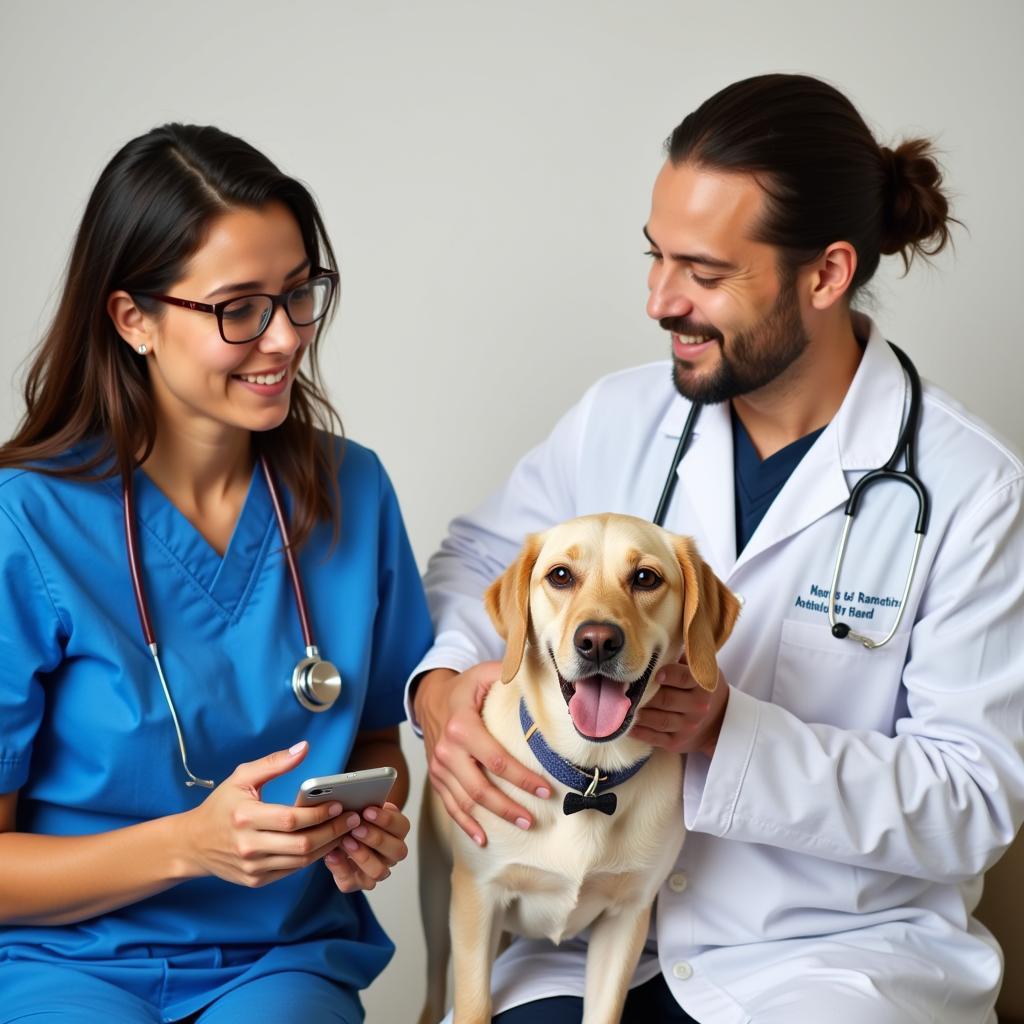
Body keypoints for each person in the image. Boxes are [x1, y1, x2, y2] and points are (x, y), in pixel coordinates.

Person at [409, 74, 1024, 1023]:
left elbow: (972, 802)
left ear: (824, 275)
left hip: (830, 960)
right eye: (656, 258)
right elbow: (473, 565)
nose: (660, 300)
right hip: (586, 945)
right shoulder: (617, 416)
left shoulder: (968, 486)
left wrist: (725, 733)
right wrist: (443, 689)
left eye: (703, 272)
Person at [0, 124, 433, 1023]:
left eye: (299, 295)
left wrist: (360, 822)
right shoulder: (26, 522)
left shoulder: (353, 490)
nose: (283, 339)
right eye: (239, 308)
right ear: (134, 319)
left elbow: (376, 742)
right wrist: (191, 847)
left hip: (277, 960)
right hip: (62, 958)